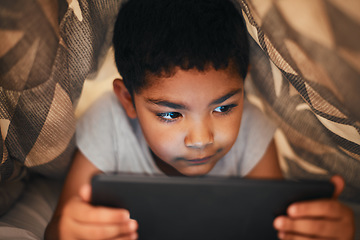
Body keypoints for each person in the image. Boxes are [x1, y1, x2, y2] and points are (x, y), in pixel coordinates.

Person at [45, 0, 355, 239]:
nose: (201, 139)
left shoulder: (253, 130)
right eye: (170, 114)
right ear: (127, 100)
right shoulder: (108, 124)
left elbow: (271, 229)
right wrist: (65, 230)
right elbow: (60, 225)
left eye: (223, 108)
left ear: (243, 87)